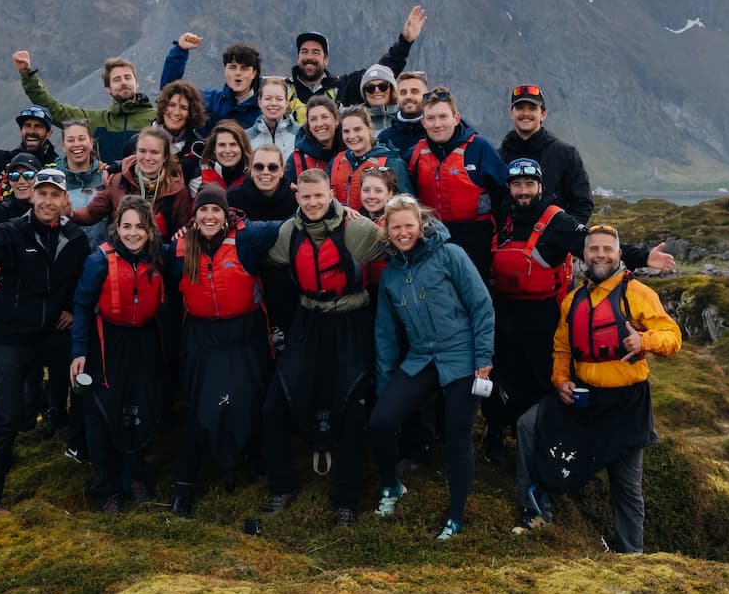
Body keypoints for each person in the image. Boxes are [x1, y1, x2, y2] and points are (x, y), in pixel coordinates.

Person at [484, 160, 675, 461]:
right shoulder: (503, 219)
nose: (523, 191)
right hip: (503, 315)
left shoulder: (556, 220)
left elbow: (594, 247)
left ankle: (544, 446)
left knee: (542, 384)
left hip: (543, 318)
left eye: (529, 184)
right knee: (503, 379)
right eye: (517, 185)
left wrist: (643, 257)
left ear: (540, 187)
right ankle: (502, 432)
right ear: (509, 188)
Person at [517, 224, 683, 554]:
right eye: (593, 249)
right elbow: (562, 346)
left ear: (619, 255)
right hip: (582, 398)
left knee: (626, 485)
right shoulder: (573, 300)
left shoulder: (639, 294)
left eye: (607, 249)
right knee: (528, 425)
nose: (600, 255)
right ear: (584, 255)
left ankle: (632, 553)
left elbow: (672, 336)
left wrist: (643, 339)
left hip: (626, 404)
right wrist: (560, 381)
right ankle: (534, 511)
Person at [243, 168, 391, 526]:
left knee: (353, 404)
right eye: (306, 197)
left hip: (351, 320)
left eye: (319, 196)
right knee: (276, 402)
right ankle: (282, 486)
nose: (312, 203)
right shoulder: (288, 233)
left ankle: (346, 499)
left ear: (332, 194)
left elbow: (400, 242)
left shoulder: (355, 229)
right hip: (307, 319)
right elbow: (256, 252)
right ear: (298, 198)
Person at [371, 196, 496, 541]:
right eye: (395, 227)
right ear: (386, 231)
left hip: (462, 357)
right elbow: (385, 333)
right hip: (421, 357)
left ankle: (455, 517)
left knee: (456, 434)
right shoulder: (391, 274)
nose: (403, 232)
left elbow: (481, 304)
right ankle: (390, 487)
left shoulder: (450, 255)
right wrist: (386, 384)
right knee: (381, 422)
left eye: (409, 225)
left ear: (422, 224)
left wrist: (483, 358)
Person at [0, 168, 87, 514]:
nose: (48, 201)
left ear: (66, 200)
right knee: (6, 417)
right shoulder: (10, 232)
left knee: (84, 377)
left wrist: (71, 309)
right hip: (6, 337)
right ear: (32, 196)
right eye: (42, 194)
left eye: (55, 195)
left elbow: (84, 280)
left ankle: (75, 447)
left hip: (49, 332)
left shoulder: (76, 239)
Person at [161, 185, 272, 517]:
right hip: (202, 335)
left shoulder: (247, 238)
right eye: (203, 211)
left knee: (249, 400)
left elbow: (292, 225)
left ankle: (249, 461)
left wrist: (343, 212)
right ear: (194, 216)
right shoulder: (178, 249)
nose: (209, 216)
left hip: (245, 332)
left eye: (216, 211)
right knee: (201, 406)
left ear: (226, 215)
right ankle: (185, 485)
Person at [69, 198, 169, 512]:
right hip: (106, 341)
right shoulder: (99, 260)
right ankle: (106, 487)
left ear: (150, 230)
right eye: (127, 226)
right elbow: (83, 308)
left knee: (141, 408)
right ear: (117, 228)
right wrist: (78, 352)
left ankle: (134, 476)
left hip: (144, 340)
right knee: (103, 413)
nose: (133, 233)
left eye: (140, 226)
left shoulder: (159, 256)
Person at [403, 88, 508, 281]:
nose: (437, 124)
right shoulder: (414, 155)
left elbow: (505, 192)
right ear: (423, 122)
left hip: (477, 240)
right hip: (432, 238)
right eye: (431, 118)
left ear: (456, 118)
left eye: (443, 116)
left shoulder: (479, 148)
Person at [14, 50, 157, 167]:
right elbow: (55, 110)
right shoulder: (96, 120)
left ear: (136, 83)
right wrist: (27, 74)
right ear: (108, 88)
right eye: (117, 79)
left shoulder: (156, 117)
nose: (123, 83)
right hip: (107, 192)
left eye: (127, 77)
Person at [289, 5, 426, 108]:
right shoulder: (284, 91)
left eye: (316, 52)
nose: (310, 57)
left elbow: (381, 73)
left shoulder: (344, 87)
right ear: (298, 57)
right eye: (304, 51)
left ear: (326, 60)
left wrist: (405, 41)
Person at [72, 126, 192, 237]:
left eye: (154, 152)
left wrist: (183, 232)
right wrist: (69, 212)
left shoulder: (178, 190)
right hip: (120, 254)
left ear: (165, 157)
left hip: (158, 255)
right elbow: (91, 214)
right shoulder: (118, 181)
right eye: (142, 151)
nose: (147, 158)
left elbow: (181, 231)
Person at [498, 85, 594, 224]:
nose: (525, 113)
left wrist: (564, 235)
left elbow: (582, 204)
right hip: (508, 242)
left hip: (552, 243)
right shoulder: (497, 157)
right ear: (511, 113)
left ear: (543, 114)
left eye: (532, 108)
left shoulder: (566, 154)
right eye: (519, 108)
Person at [230, 142, 299, 329]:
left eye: (273, 167)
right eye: (259, 166)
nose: (265, 172)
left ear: (283, 170)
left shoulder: (296, 199)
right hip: (247, 282)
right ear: (250, 169)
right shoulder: (233, 198)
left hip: (288, 285)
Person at [160, 34, 264, 130]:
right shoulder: (209, 101)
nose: (238, 73)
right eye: (232, 67)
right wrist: (180, 50)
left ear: (254, 73)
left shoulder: (266, 108)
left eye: (244, 68)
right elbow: (170, 92)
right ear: (225, 71)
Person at [330, 107, 408, 209]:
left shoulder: (392, 163)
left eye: (357, 129)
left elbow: (407, 205)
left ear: (370, 129)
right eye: (346, 131)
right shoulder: (336, 161)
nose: (351, 136)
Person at [59, 120, 109, 244]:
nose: (77, 144)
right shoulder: (55, 180)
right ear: (63, 146)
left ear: (91, 142)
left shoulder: (107, 177)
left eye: (81, 139)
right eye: (70, 140)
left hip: (104, 258)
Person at [246, 75, 303, 160]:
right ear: (260, 101)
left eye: (279, 99)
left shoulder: (301, 134)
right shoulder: (246, 137)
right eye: (268, 98)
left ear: (287, 102)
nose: (273, 103)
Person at [288, 95, 342, 181]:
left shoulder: (350, 153)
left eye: (324, 117)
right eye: (313, 119)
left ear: (336, 121)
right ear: (308, 126)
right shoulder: (297, 160)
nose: (319, 124)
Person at [197, 119, 254, 192]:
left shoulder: (254, 176)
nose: (227, 151)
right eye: (222, 145)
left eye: (233, 145)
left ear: (242, 147)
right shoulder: (199, 177)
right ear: (214, 149)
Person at [155, 80, 207, 158]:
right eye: (172, 105)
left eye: (183, 108)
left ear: (192, 113)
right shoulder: (138, 140)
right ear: (163, 106)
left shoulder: (199, 149)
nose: (176, 112)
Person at [356, 65, 398, 137]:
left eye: (382, 86)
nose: (377, 90)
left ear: (391, 89)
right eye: (370, 88)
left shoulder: (404, 117)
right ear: (364, 92)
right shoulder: (356, 119)